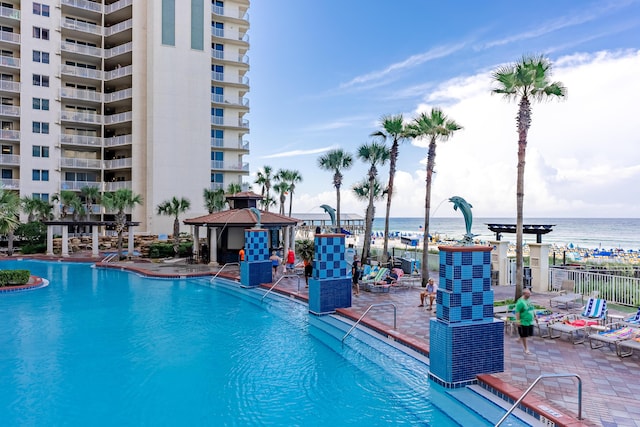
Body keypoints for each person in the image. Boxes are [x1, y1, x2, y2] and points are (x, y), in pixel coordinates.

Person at [515, 288, 535, 355]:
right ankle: (526, 349)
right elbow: (517, 312)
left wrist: (535, 316)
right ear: (524, 294)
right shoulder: (520, 302)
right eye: (528, 293)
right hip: (523, 321)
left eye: (530, 293)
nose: (530, 294)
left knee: (529, 334)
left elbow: (532, 308)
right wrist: (518, 321)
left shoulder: (528, 300)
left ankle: (520, 338)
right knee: (525, 336)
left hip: (529, 321)